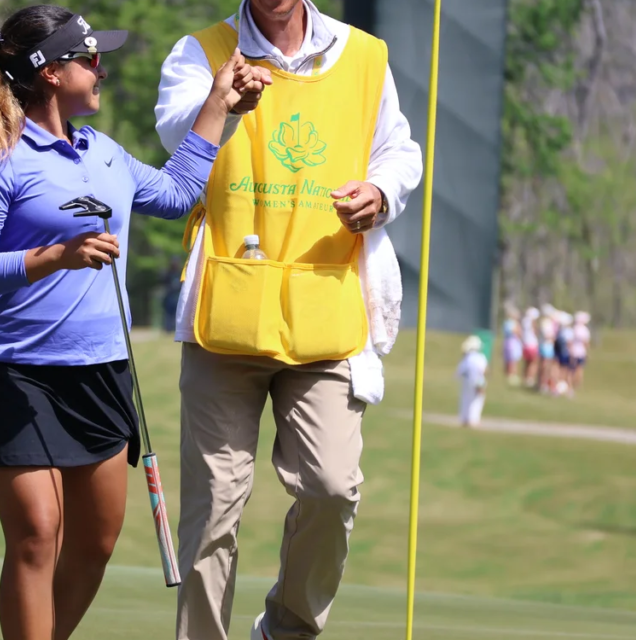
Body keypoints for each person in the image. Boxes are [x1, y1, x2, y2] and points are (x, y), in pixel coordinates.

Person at [0, 7, 256, 639]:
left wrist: (220, 104)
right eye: (88, 59)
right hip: (11, 373)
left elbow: (175, 194)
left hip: (101, 372)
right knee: (38, 534)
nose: (100, 69)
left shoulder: (103, 152)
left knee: (96, 542)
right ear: (51, 73)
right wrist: (55, 256)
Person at [154, 1, 423, 638]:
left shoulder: (364, 55)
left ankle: (286, 629)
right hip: (226, 317)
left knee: (332, 488)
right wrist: (223, 103)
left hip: (327, 312)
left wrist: (381, 192)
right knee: (212, 508)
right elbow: (175, 137)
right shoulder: (201, 51)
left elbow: (399, 151)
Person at [457, 335, 489, 427]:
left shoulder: (466, 358)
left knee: (465, 399)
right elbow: (484, 371)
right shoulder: (480, 357)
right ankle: (473, 420)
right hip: (478, 381)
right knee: (477, 400)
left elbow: (460, 371)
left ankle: (464, 418)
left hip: (466, 381)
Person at [569, 311, 591, 390]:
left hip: (573, 351)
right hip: (581, 352)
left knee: (572, 369)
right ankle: (577, 384)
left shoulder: (574, 328)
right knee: (579, 369)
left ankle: (571, 383)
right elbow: (586, 343)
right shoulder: (584, 330)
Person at [502, 307, 522, 386]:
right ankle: (511, 375)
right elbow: (516, 332)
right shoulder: (511, 323)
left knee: (512, 359)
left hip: (511, 342)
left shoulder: (508, 323)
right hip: (511, 343)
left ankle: (510, 374)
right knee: (511, 360)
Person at [522, 306, 540, 387]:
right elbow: (536, 332)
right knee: (533, 362)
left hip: (525, 344)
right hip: (532, 344)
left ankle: (525, 377)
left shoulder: (524, 320)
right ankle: (530, 378)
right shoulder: (532, 322)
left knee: (527, 362)